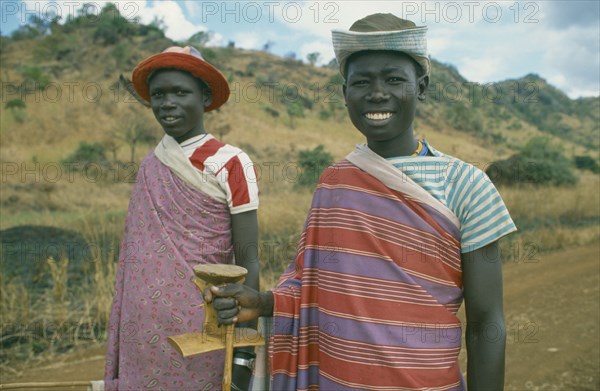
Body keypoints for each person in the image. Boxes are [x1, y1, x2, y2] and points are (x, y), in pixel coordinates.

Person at [206, 14, 517, 390]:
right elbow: (313, 283)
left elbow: (487, 321)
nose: (377, 92)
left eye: (394, 79)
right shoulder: (334, 183)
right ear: (345, 92)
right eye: (362, 82)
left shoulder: (469, 186)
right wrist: (265, 303)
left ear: (422, 87)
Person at [104, 46, 260, 391]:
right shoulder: (150, 165)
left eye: (180, 92)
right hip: (142, 325)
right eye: (158, 94)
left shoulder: (230, 161)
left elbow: (248, 256)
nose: (167, 102)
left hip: (204, 321)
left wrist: (244, 356)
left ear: (204, 97)